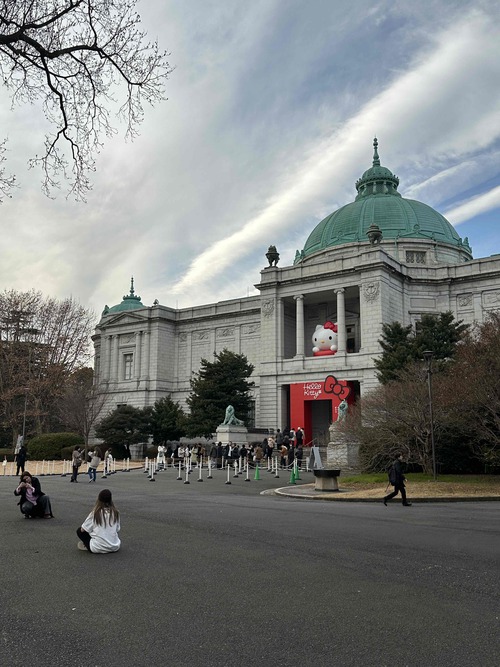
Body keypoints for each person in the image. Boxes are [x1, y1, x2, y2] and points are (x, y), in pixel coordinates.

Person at [77, 489, 121, 553]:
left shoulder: (95, 513)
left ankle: (88, 544)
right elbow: (117, 529)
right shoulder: (115, 513)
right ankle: (108, 541)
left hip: (97, 547)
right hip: (115, 546)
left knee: (79, 531)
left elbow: (82, 529)